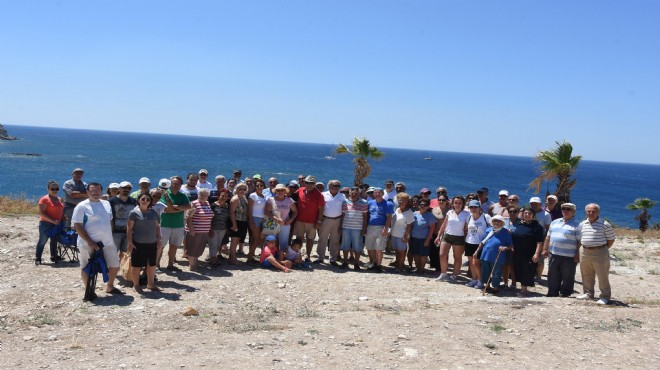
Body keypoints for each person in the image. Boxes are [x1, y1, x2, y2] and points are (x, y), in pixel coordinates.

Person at [73, 182, 123, 299]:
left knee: (114, 264)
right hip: (87, 244)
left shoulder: (106, 204)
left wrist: (109, 235)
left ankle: (110, 286)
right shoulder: (82, 206)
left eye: (98, 191)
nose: (95, 193)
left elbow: (110, 221)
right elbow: (77, 226)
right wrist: (90, 242)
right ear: (87, 192)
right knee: (87, 267)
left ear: (101, 192)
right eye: (92, 190)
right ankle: (89, 290)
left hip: (107, 242)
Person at [577, 203, 616, 305]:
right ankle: (588, 293)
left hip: (599, 252)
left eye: (593, 211)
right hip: (584, 251)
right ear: (586, 212)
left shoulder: (605, 224)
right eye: (589, 211)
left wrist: (601, 249)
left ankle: (605, 296)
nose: (591, 213)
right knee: (586, 274)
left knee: (602, 275)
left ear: (598, 212)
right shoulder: (583, 224)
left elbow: (611, 239)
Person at [542, 203, 580, 297]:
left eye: (568, 209)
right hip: (554, 253)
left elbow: (580, 241)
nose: (565, 211)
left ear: (573, 211)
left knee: (568, 275)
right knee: (552, 274)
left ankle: (565, 293)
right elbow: (548, 237)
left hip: (569, 255)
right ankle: (552, 292)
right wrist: (545, 249)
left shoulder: (578, 224)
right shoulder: (555, 222)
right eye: (563, 208)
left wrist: (577, 254)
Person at [127, 192, 162, 293]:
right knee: (136, 265)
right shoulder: (133, 213)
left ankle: (150, 284)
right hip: (138, 243)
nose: (145, 201)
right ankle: (136, 285)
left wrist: (159, 240)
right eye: (143, 199)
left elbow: (157, 227)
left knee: (151, 265)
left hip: (152, 243)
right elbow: (129, 229)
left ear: (150, 201)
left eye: (148, 199)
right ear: (138, 200)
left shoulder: (154, 213)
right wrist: (130, 242)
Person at [512, 206, 546, 297]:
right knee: (518, 269)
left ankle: (524, 290)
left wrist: (536, 254)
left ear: (533, 215)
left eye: (530, 213)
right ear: (522, 214)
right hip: (517, 251)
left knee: (526, 270)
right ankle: (521, 288)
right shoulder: (519, 223)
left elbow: (539, 242)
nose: (527, 215)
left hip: (529, 253)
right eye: (525, 213)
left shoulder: (537, 226)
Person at [160, 176, 192, 271]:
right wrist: (179, 208)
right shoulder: (164, 194)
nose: (175, 185)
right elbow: (167, 209)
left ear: (181, 185)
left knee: (174, 246)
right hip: (164, 224)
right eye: (173, 183)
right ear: (170, 184)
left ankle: (170, 265)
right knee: (160, 246)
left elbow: (188, 206)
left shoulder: (183, 195)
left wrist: (175, 207)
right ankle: (157, 265)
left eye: (177, 184)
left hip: (178, 225)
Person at [435, 196, 469, 282]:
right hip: (447, 236)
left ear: (463, 204)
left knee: (457, 257)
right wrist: (438, 235)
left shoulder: (466, 214)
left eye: (459, 203)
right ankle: (443, 274)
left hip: (459, 237)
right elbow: (444, 225)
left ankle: (454, 275)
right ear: (453, 203)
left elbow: (466, 228)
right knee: (442, 255)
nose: (457, 205)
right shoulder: (449, 212)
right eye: (456, 203)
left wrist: (465, 240)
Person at [476, 215, 513, 294]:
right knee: (485, 271)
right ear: (492, 222)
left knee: (496, 272)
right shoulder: (488, 230)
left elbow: (510, 246)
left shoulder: (505, 232)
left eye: (499, 221)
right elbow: (483, 242)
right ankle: (487, 286)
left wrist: (504, 247)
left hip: (497, 256)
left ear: (502, 223)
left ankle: (495, 287)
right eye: (495, 221)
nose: (496, 222)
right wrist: (476, 251)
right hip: (485, 255)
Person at [294, 175, 325, 262]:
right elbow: (292, 194)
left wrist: (319, 221)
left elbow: (321, 209)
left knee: (310, 240)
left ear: (314, 184)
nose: (309, 185)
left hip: (312, 221)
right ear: (305, 183)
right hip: (300, 219)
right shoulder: (300, 190)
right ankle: (298, 255)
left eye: (311, 183)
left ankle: (308, 256)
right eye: (307, 183)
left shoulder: (319, 195)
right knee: (299, 238)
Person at [35, 180, 65, 265]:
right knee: (43, 240)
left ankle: (54, 256)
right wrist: (52, 221)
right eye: (53, 189)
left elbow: (60, 209)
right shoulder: (44, 199)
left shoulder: (59, 199)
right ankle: (38, 258)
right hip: (46, 223)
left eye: (57, 188)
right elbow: (41, 213)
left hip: (57, 223)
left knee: (54, 240)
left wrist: (63, 216)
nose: (55, 190)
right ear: (48, 189)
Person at [317, 180, 346, 265]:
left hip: (337, 220)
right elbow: (319, 208)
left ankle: (333, 259)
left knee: (335, 240)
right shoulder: (323, 194)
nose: (337, 187)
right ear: (329, 186)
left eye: (338, 186)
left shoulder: (342, 196)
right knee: (322, 239)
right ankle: (320, 257)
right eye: (335, 185)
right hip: (325, 219)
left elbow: (344, 209)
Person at [365, 188, 394, 272]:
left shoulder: (388, 204)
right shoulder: (370, 203)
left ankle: (378, 265)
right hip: (370, 227)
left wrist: (386, 228)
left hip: (381, 227)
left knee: (379, 248)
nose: (377, 194)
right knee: (370, 247)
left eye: (379, 193)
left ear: (382, 193)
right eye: (375, 193)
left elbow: (389, 217)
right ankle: (373, 263)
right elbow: (367, 215)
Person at [465, 200, 492, 288]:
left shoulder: (485, 217)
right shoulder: (469, 217)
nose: (473, 209)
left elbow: (492, 228)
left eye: (475, 207)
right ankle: (474, 279)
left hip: (480, 244)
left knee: (475, 263)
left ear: (480, 208)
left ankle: (481, 281)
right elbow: (466, 229)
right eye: (471, 207)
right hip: (469, 242)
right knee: (471, 263)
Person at [185, 188, 213, 270]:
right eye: (201, 195)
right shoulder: (194, 203)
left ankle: (194, 262)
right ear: (198, 195)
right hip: (195, 231)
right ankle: (192, 265)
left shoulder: (207, 203)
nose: (203, 196)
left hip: (204, 231)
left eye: (205, 195)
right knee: (192, 247)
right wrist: (191, 230)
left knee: (200, 247)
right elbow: (188, 217)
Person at [340, 187, 369, 270]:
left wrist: (364, 229)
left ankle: (356, 263)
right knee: (345, 245)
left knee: (357, 246)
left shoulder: (364, 203)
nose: (354, 195)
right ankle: (345, 262)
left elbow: (365, 217)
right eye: (352, 193)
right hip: (346, 227)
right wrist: (340, 227)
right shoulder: (345, 202)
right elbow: (343, 215)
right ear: (349, 193)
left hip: (358, 228)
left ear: (359, 194)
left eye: (356, 193)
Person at [109, 181, 137, 259]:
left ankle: (122, 268)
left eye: (128, 188)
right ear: (119, 189)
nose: (126, 190)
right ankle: (112, 269)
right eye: (124, 188)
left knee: (125, 253)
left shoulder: (133, 201)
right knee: (113, 252)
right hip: (115, 232)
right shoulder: (112, 201)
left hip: (128, 232)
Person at [409, 198, 437, 274]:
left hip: (424, 238)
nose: (423, 206)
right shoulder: (414, 214)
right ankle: (417, 269)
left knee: (423, 255)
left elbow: (432, 228)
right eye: (421, 205)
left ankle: (421, 269)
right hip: (414, 237)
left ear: (428, 206)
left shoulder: (430, 216)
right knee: (415, 254)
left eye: (425, 205)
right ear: (418, 205)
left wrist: (427, 240)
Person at [390, 192, 414, 272]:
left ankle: (400, 267)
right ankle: (398, 264)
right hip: (394, 233)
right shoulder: (397, 209)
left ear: (407, 201)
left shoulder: (409, 212)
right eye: (399, 200)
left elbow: (409, 225)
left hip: (402, 235)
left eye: (403, 200)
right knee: (397, 250)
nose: (401, 202)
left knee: (402, 251)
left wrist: (405, 235)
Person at [530, 196, 553, 280]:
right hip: (529, 240)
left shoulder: (546, 214)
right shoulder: (528, 212)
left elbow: (548, 229)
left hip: (540, 240)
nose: (534, 205)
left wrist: (544, 243)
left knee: (540, 260)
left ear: (541, 204)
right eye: (532, 203)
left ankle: (538, 276)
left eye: (536, 204)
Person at [247, 178, 269, 263]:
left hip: (263, 219)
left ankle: (252, 257)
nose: (259, 187)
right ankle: (249, 259)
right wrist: (251, 221)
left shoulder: (264, 196)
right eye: (257, 185)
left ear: (264, 186)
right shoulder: (252, 196)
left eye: (261, 185)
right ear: (255, 186)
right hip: (255, 219)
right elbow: (250, 210)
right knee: (257, 239)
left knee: (256, 239)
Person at [270, 183, 297, 250]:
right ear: (275, 191)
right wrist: (275, 218)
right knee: (272, 241)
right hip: (273, 223)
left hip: (285, 224)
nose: (280, 192)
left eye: (282, 190)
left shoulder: (289, 200)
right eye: (278, 190)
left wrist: (290, 220)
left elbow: (295, 211)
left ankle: (282, 258)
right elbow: (266, 211)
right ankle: (272, 256)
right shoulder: (271, 200)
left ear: (285, 191)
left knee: (284, 242)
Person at [208, 189, 230, 267]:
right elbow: (208, 218)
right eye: (222, 196)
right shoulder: (213, 205)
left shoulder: (227, 206)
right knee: (213, 244)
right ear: (218, 196)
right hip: (213, 228)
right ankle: (213, 260)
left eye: (226, 196)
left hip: (223, 229)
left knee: (218, 244)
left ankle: (212, 257)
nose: (224, 197)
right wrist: (209, 229)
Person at [228, 183, 250, 264]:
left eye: (244, 189)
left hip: (243, 221)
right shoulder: (235, 199)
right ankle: (232, 258)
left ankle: (232, 257)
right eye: (240, 189)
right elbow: (231, 212)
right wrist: (234, 224)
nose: (242, 191)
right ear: (236, 189)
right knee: (234, 241)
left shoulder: (244, 198)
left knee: (237, 240)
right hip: (236, 221)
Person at [428, 193, 450, 271]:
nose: (441, 201)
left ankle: (442, 268)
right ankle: (434, 265)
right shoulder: (434, 209)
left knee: (443, 253)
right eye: (439, 200)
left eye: (443, 200)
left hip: (444, 235)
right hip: (434, 233)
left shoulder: (449, 210)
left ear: (447, 201)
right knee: (432, 251)